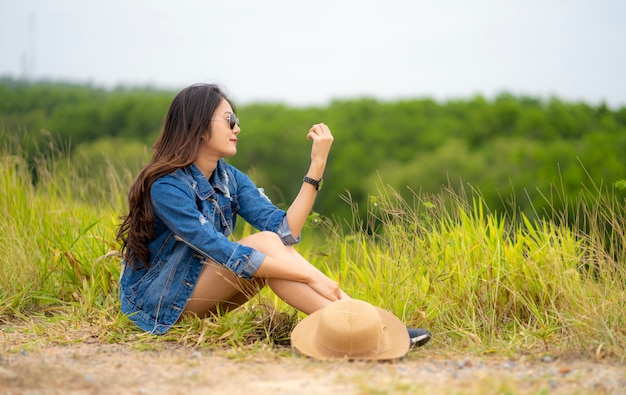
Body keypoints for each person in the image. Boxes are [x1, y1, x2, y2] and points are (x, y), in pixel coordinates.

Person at [116, 83, 431, 347]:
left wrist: (316, 167)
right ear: (197, 127)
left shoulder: (229, 178)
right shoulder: (167, 186)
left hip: (198, 291)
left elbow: (284, 232)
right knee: (265, 246)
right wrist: (312, 276)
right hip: (158, 305)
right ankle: (372, 329)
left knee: (272, 244)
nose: (237, 127)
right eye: (229, 120)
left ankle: (361, 328)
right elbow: (220, 249)